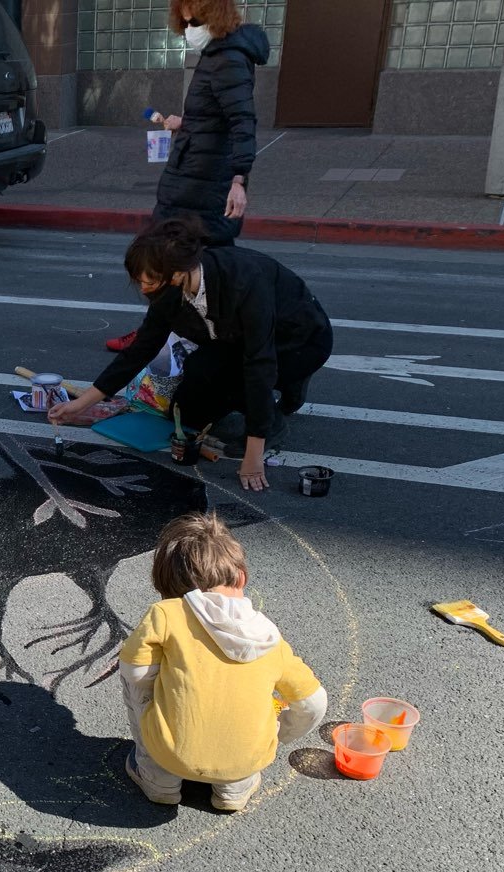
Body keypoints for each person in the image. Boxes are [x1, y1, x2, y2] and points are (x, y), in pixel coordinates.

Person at [51, 217, 333, 493]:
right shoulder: (170, 289)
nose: (141, 288)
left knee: (247, 379)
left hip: (297, 342)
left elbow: (260, 363)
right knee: (187, 413)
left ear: (175, 273)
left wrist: (253, 451)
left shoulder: (243, 281)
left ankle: (274, 414)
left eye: (146, 281)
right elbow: (140, 350)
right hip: (232, 339)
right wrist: (82, 404)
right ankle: (268, 393)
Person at [117, 512, 326, 813]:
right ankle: (233, 790)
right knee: (260, 708)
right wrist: (278, 733)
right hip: (248, 757)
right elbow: (314, 703)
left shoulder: (166, 613)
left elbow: (134, 671)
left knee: (132, 679)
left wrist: (166, 690)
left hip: (171, 751)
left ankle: (159, 780)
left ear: (168, 587)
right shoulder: (268, 636)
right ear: (241, 577)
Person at [107, 0, 267, 353]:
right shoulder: (218, 54)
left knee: (176, 259)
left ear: (213, 13)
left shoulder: (228, 58)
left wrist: (239, 180)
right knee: (173, 259)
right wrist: (188, 123)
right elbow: (220, 115)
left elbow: (243, 121)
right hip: (191, 177)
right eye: (182, 12)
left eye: (192, 13)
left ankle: (177, 335)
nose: (186, 21)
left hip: (205, 183)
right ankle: (170, 332)